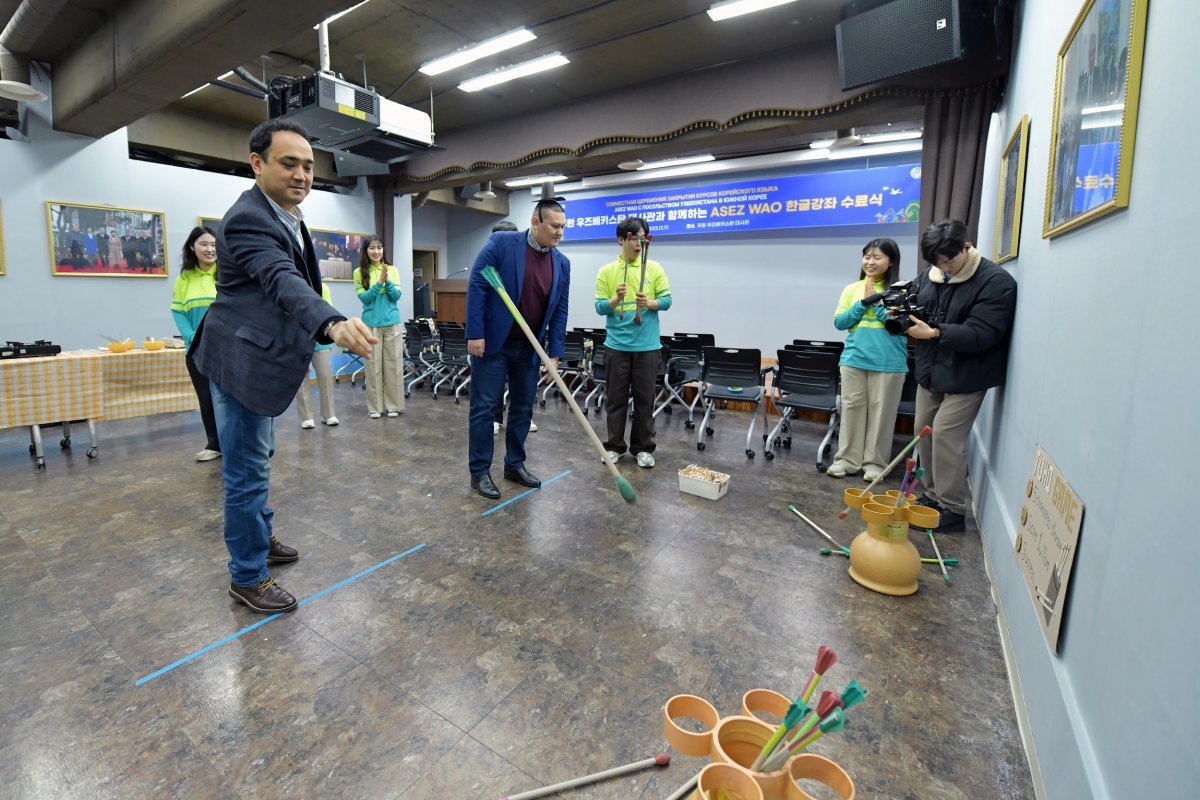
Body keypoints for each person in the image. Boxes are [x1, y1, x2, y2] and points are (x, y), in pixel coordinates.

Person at [191, 118, 375, 614]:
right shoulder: (248, 217)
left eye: (308, 166)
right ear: (258, 163)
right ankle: (247, 576)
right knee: (246, 471)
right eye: (288, 163)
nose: (301, 174)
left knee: (259, 458)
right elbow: (279, 279)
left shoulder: (286, 214)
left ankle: (261, 535)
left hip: (260, 356)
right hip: (239, 361)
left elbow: (290, 279)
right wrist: (331, 322)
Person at [906, 219, 1017, 532]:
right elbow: (918, 306)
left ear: (966, 247)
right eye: (937, 263)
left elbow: (983, 333)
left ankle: (952, 509)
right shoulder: (932, 275)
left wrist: (935, 332)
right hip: (931, 370)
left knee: (946, 436)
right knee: (923, 431)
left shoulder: (996, 281)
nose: (944, 268)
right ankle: (930, 495)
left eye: (949, 260)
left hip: (968, 374)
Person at [465, 200, 570, 499]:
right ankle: (480, 471)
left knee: (523, 407)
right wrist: (475, 332)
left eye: (563, 227)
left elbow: (560, 310)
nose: (559, 232)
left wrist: (554, 354)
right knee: (485, 409)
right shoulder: (502, 243)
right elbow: (477, 284)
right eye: (554, 226)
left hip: (529, 347)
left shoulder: (562, 263)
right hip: (493, 345)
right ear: (535, 222)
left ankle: (514, 464)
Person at [826, 238, 908, 481]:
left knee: (882, 414)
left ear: (891, 261)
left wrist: (879, 301)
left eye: (878, 257)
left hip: (888, 361)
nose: (870, 262)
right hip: (853, 359)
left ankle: (875, 464)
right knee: (851, 410)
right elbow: (840, 322)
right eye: (867, 257)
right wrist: (863, 303)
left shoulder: (901, 289)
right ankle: (846, 460)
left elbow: (899, 326)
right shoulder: (852, 289)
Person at [594, 216, 672, 468]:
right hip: (616, 346)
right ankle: (614, 446)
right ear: (621, 240)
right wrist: (616, 300)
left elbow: (667, 301)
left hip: (648, 347)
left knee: (645, 401)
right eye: (634, 238)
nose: (638, 242)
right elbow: (599, 307)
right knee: (614, 400)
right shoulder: (607, 271)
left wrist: (648, 303)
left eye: (642, 237)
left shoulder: (655, 268)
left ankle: (643, 448)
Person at [171, 225, 222, 462]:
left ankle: (234, 441)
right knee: (206, 396)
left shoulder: (226, 273)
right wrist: (191, 337)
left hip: (225, 347)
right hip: (196, 349)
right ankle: (214, 444)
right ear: (193, 247)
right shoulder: (184, 278)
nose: (209, 249)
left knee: (228, 396)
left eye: (213, 244)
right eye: (204, 244)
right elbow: (178, 311)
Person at [487, 220, 538, 436]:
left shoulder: (527, 263)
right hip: (497, 336)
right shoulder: (489, 264)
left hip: (523, 335)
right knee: (495, 383)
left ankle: (524, 418)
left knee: (523, 384)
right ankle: (495, 418)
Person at [353, 235, 405, 418]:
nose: (376, 251)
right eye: (372, 248)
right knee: (373, 367)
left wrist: (388, 281)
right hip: (371, 325)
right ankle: (375, 408)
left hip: (392, 323)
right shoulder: (359, 272)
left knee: (393, 366)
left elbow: (396, 296)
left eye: (379, 248)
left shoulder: (392, 270)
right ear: (366, 251)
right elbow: (364, 298)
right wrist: (379, 283)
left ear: (383, 250)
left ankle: (393, 406)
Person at [295, 280, 339, 429]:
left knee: (325, 375)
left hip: (320, 339)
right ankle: (306, 417)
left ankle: (329, 414)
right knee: (301, 378)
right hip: (298, 339)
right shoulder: (291, 286)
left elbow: (327, 311)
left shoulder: (322, 287)